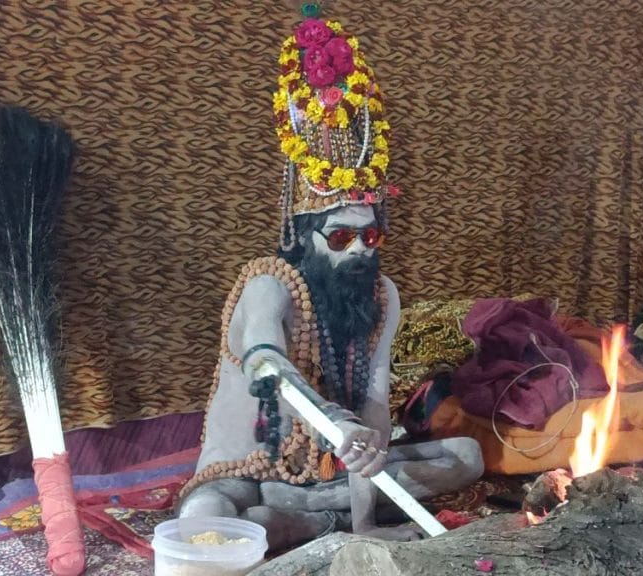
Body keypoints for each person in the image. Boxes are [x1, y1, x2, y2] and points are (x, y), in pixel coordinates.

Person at [175, 12, 483, 551]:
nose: (360, 249)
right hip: (248, 471)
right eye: (341, 237)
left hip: (334, 471)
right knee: (209, 513)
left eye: (370, 236)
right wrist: (335, 425)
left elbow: (375, 408)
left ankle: (314, 523)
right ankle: (297, 519)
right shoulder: (268, 284)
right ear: (304, 236)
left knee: (467, 457)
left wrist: (366, 506)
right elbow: (266, 366)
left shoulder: (381, 296)